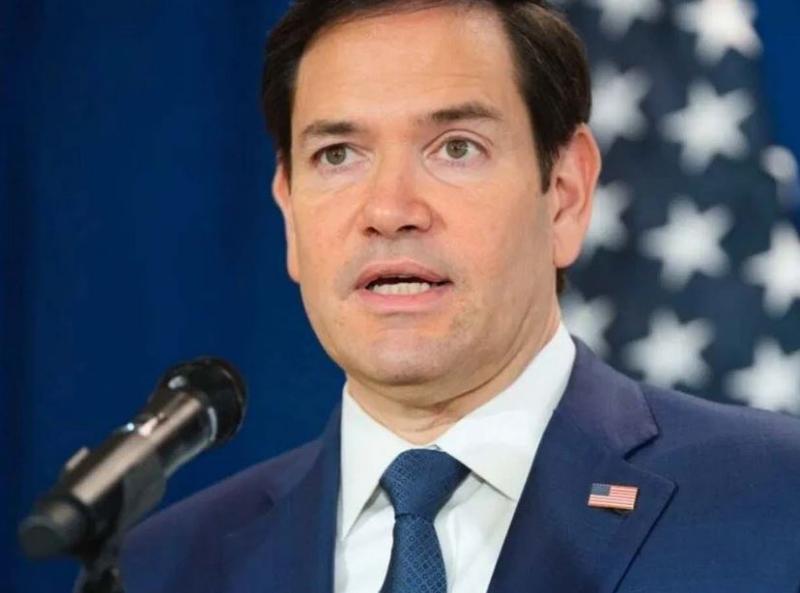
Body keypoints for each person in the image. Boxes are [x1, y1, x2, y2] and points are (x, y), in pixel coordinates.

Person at [108, 1, 800, 592]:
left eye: (456, 148)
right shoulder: (166, 567)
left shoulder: (776, 499)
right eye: (338, 154)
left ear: (564, 195)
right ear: (289, 212)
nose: (389, 210)